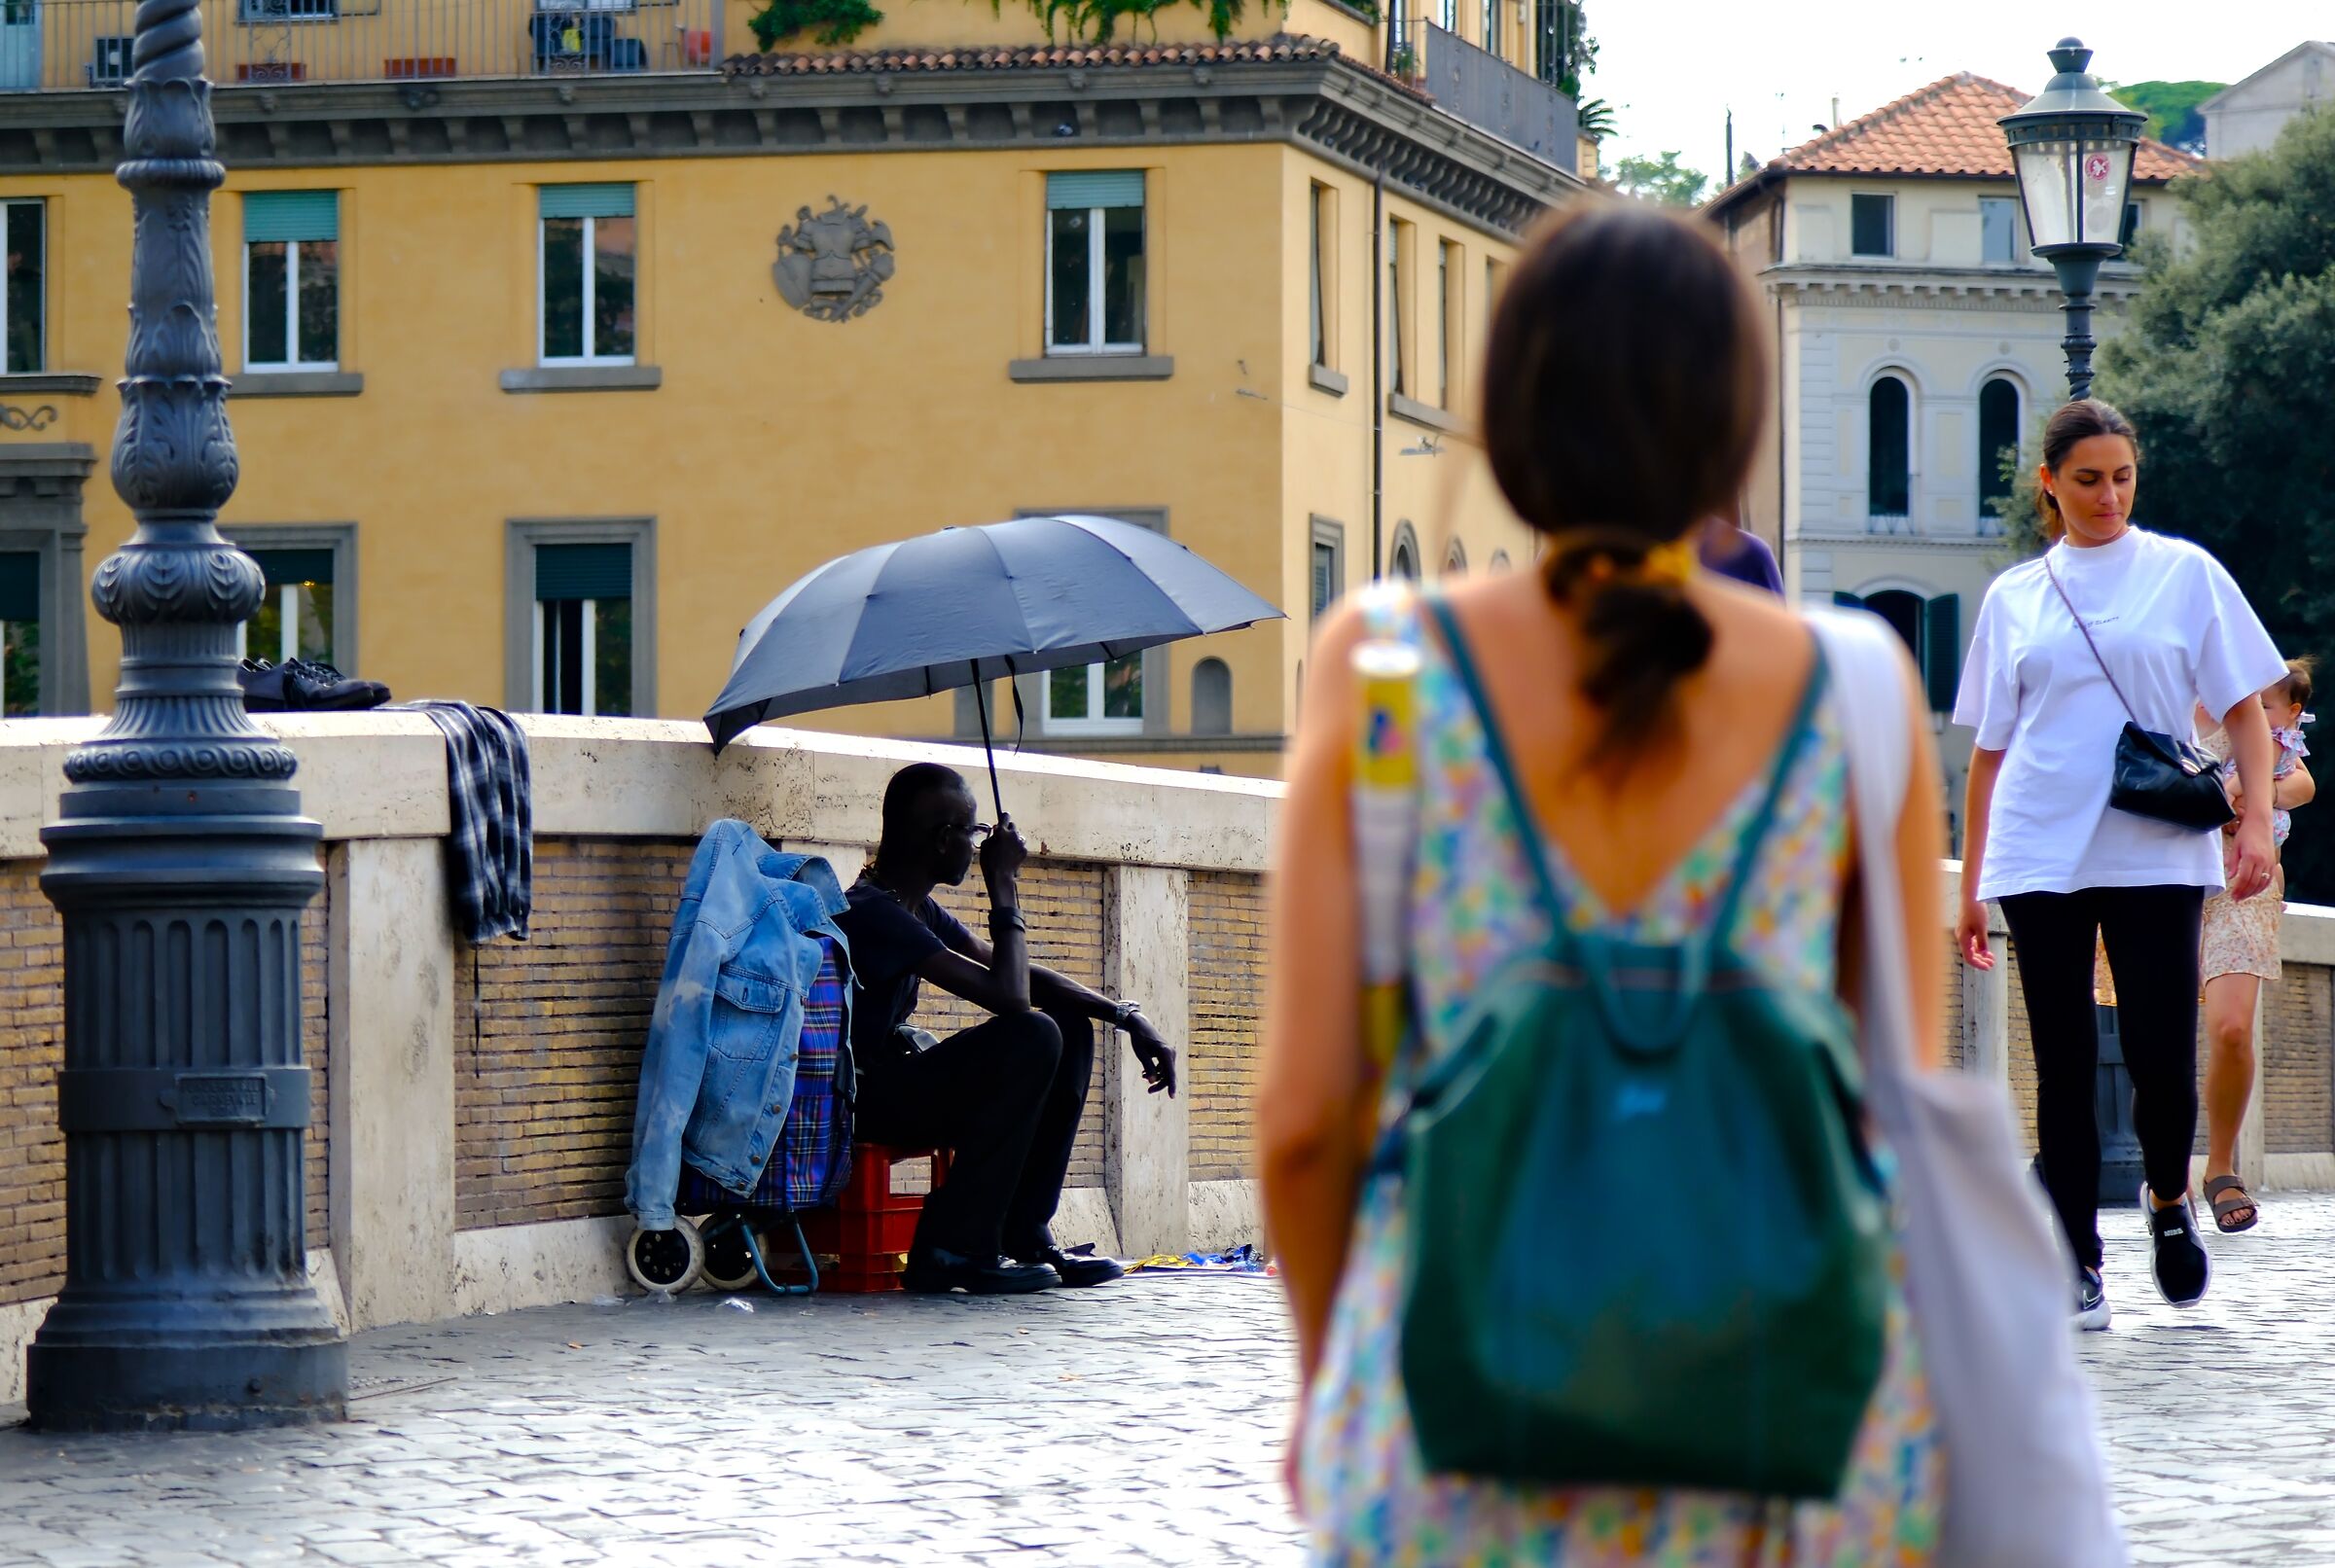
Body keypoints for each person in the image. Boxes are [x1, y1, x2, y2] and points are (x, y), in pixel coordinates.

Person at [1259, 201, 1949, 1561]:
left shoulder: (1387, 666)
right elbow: (1889, 1106)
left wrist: (1340, 1370)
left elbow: (1302, 1117)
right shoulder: (1856, 685)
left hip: (1458, 1438)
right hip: (1786, 1456)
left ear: (1510, 411)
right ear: (1735, 422)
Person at [1953, 399, 2283, 1329]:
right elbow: (1989, 754)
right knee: (2058, 1064)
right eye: (2088, 480)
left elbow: (2248, 711)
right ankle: (2076, 1261)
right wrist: (1976, 884)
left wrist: (2256, 821)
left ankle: (2170, 1205)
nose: (2108, 496)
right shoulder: (2014, 594)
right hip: (2037, 850)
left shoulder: (2185, 574)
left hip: (2154, 848)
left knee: (2157, 1053)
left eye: (2123, 477)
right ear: (2050, 485)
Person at [836, 763, 1176, 1294]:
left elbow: (1008, 971)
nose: (977, 846)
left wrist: (1123, 1015)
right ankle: (952, 1249)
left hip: (894, 1086)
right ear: (944, 838)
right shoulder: (870, 911)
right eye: (973, 834)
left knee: (1068, 1024)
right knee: (1033, 1033)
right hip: (861, 1100)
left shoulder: (915, 908)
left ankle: (1023, 1233)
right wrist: (1004, 883)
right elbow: (1009, 997)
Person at [2195, 660, 2316, 1233]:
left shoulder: (2257, 715)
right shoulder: (2150, 695)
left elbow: (2303, 783)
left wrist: (2251, 786)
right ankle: (2165, 1173)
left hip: (2244, 883)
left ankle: (2220, 1166)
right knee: (2156, 1037)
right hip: (2162, 879)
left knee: (2232, 1030)